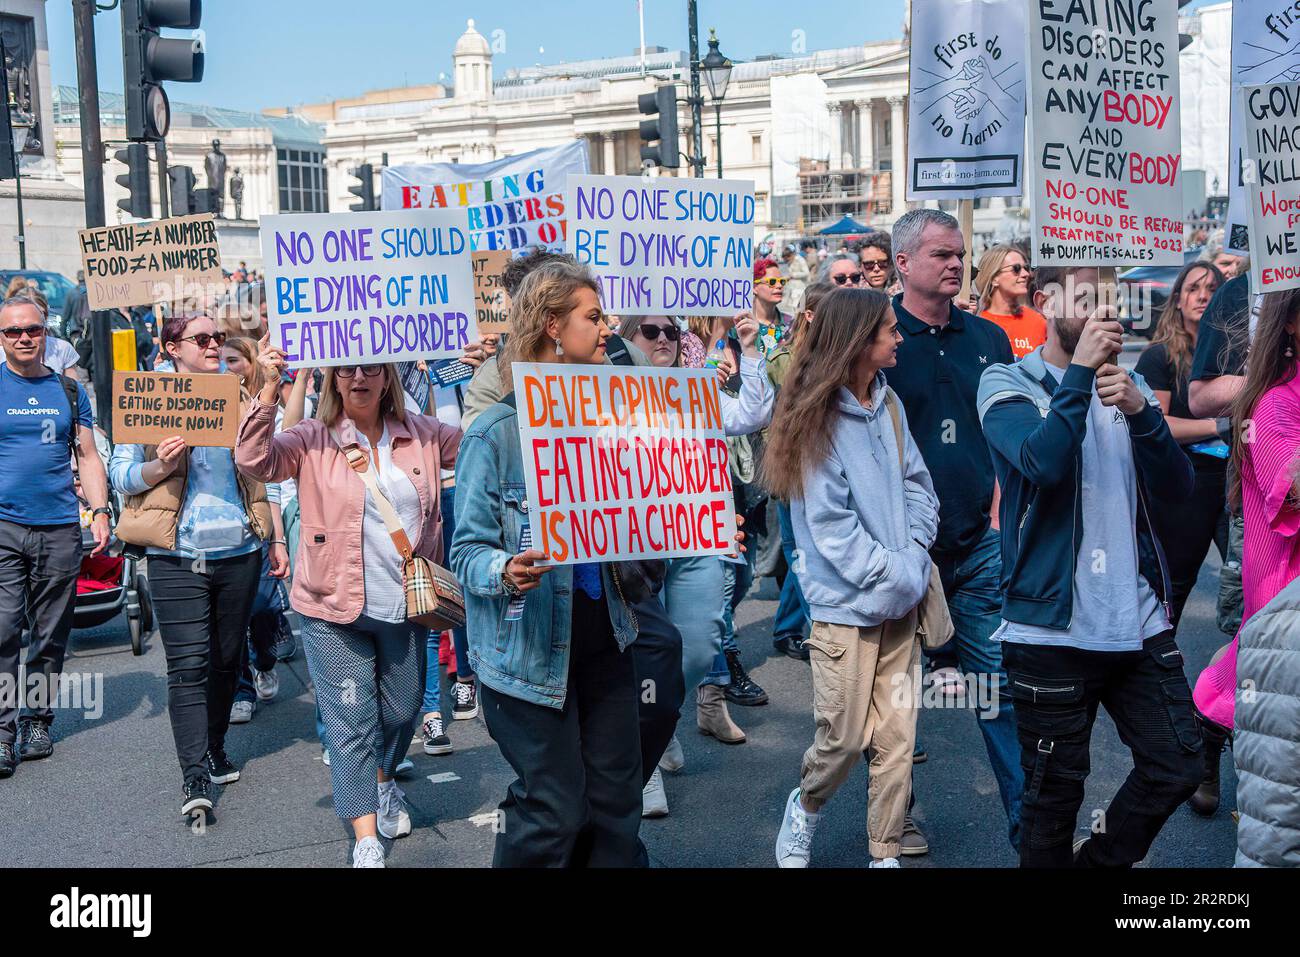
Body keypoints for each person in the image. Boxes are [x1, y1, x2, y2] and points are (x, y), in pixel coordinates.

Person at [976, 265, 1202, 867]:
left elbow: (1179, 491)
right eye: (1088, 295)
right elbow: (1042, 462)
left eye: (1110, 297)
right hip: (1049, 628)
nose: (1105, 309)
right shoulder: (1007, 382)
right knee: (1052, 802)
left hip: (1136, 619)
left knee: (1178, 763)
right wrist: (1078, 376)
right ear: (1045, 300)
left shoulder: (1122, 388)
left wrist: (1146, 416)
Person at [451, 261, 645, 867]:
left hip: (605, 633)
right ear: (554, 327)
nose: (609, 328)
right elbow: (465, 551)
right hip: (528, 648)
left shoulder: (616, 419)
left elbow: (644, 514)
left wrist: (701, 518)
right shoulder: (495, 434)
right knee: (554, 808)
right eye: (593, 317)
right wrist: (505, 569)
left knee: (616, 802)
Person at [236, 347, 462, 868]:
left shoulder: (423, 433)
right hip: (329, 604)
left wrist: (494, 368)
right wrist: (269, 385)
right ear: (334, 379)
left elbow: (483, 441)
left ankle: (384, 779)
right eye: (348, 368)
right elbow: (253, 460)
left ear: (388, 378)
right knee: (349, 719)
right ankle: (364, 837)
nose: (359, 376)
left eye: (371, 368)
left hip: (405, 605)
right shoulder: (312, 438)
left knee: (403, 710)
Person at [768, 288, 939, 868]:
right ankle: (805, 808)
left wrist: (914, 555)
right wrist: (897, 574)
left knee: (898, 741)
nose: (898, 336)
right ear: (860, 341)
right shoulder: (814, 416)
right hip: (846, 609)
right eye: (889, 329)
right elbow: (831, 527)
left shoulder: (890, 405)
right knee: (840, 741)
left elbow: (919, 484)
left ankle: (884, 850)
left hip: (903, 601)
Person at [887, 208, 1022, 850]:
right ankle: (895, 813)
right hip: (901, 553)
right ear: (903, 263)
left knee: (999, 691)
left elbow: (1009, 427)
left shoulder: (989, 339)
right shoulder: (877, 338)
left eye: (960, 253)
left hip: (979, 546)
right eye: (941, 254)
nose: (955, 265)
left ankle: (1033, 829)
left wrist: (1002, 504)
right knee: (895, 697)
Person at [108, 316, 269, 820]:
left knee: (225, 659)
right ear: (172, 348)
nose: (214, 346)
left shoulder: (237, 394)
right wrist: (159, 466)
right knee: (188, 665)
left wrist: (276, 535)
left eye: (219, 338)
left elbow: (267, 466)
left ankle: (215, 746)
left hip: (238, 550)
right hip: (176, 553)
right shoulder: (148, 396)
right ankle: (194, 773)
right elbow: (120, 472)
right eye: (202, 339)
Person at [618, 312, 774, 815]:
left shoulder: (698, 390)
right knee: (644, 652)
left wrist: (748, 350)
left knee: (699, 645)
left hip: (697, 537)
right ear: (628, 337)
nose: (663, 339)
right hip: (636, 547)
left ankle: (663, 719)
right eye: (650, 331)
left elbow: (753, 413)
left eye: (671, 332)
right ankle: (644, 757)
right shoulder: (603, 392)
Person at [0, 296, 110, 778]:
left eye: (32, 330)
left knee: (50, 633)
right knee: (3, 630)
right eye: (12, 332)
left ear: (46, 333)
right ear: (1, 338)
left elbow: (87, 454)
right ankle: (3, 733)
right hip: (4, 527)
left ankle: (36, 720)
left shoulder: (67, 391)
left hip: (61, 527)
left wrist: (101, 509)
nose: (24, 338)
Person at [1210, 288, 1300, 832]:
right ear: (1290, 324)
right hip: (1284, 628)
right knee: (1280, 812)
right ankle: (1210, 730)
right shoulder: (1274, 405)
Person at [1184, 270, 1253, 813]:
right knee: (1258, 639)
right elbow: (1202, 394)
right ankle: (1212, 731)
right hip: (1265, 506)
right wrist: (1274, 375)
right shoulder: (1243, 292)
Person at [1134, 262, 1227, 630]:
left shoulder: (1234, 352)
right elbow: (1159, 424)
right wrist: (1217, 426)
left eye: (1211, 288)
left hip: (1234, 482)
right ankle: (1156, 666)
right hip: (1186, 486)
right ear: (1177, 301)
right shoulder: (1159, 356)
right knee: (1174, 586)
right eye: (1193, 289)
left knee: (1248, 577)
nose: (1203, 296)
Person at [219, 336, 293, 723]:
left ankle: (265, 658)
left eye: (233, 360)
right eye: (221, 360)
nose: (227, 367)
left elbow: (273, 478)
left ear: (250, 362)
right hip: (222, 528)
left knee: (263, 609)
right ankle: (241, 689)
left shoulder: (268, 404)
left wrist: (277, 536)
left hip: (260, 522)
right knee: (233, 619)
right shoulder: (211, 400)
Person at [974, 244, 1046, 360]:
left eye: (1026, 268)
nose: (1026, 274)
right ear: (994, 278)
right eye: (1016, 268)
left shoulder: (1038, 321)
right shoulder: (977, 323)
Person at [780, 244, 810, 316]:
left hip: (800, 287)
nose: (786, 261)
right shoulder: (790, 261)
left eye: (787, 259)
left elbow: (806, 273)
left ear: (791, 255)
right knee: (793, 309)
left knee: (800, 308)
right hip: (792, 288)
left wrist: (793, 275)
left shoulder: (800, 260)